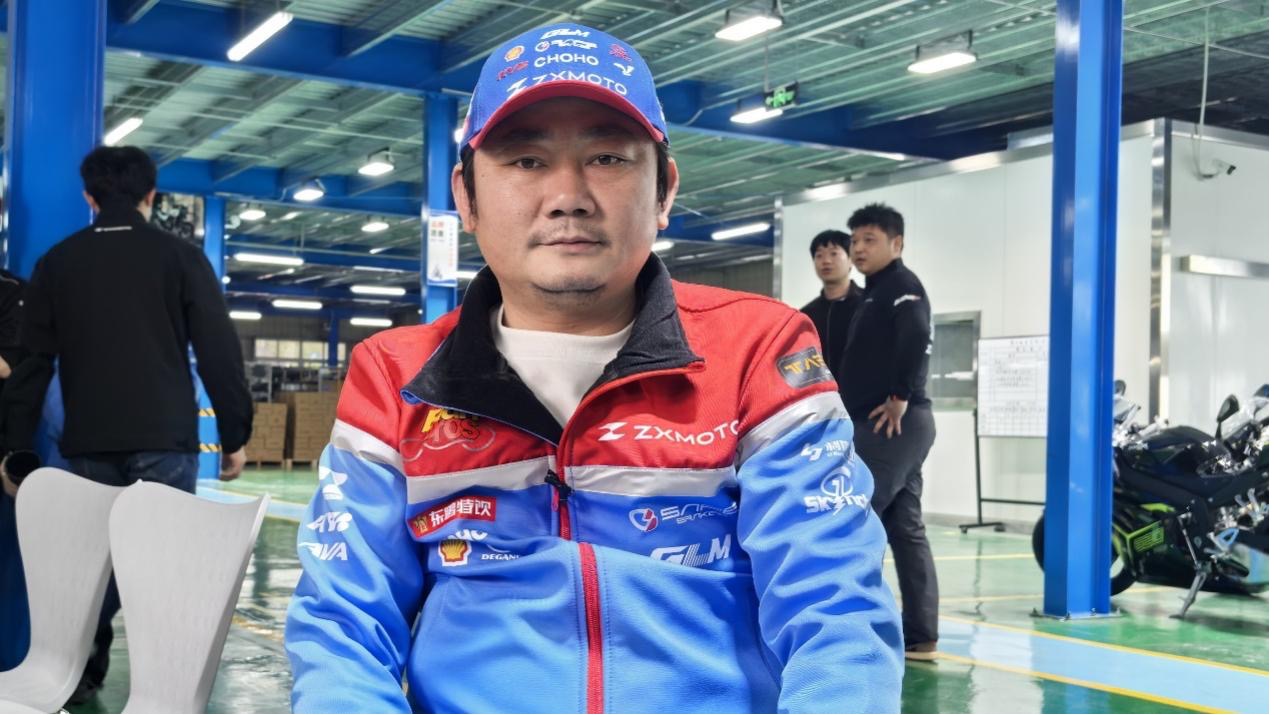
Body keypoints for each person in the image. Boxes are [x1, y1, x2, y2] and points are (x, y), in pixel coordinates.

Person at [285, 22, 903, 714]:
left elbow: (834, 606)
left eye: (608, 157)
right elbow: (343, 626)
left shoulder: (759, 350)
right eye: (526, 161)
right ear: (466, 196)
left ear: (664, 190)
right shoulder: (395, 376)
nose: (568, 194)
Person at [0, 145, 254, 702]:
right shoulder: (181, 257)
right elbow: (219, 351)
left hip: (89, 441)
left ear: (88, 197)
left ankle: (78, 679)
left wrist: (16, 450)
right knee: (167, 568)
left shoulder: (57, 263)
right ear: (151, 195)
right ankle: (167, 690)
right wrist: (234, 435)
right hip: (166, 439)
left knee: (91, 566)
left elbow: (32, 364)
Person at [839, 202, 940, 662]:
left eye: (870, 240)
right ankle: (920, 634)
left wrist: (900, 394)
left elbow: (916, 333)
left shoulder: (902, 287)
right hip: (897, 424)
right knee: (904, 528)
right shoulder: (876, 292)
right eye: (855, 240)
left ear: (896, 244)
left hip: (891, 423)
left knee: (855, 520)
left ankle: (851, 626)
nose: (858, 249)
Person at [800, 229, 862, 380]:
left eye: (834, 253)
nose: (826, 261)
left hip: (864, 392)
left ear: (851, 260)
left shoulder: (868, 304)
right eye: (819, 255)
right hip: (822, 392)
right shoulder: (807, 315)